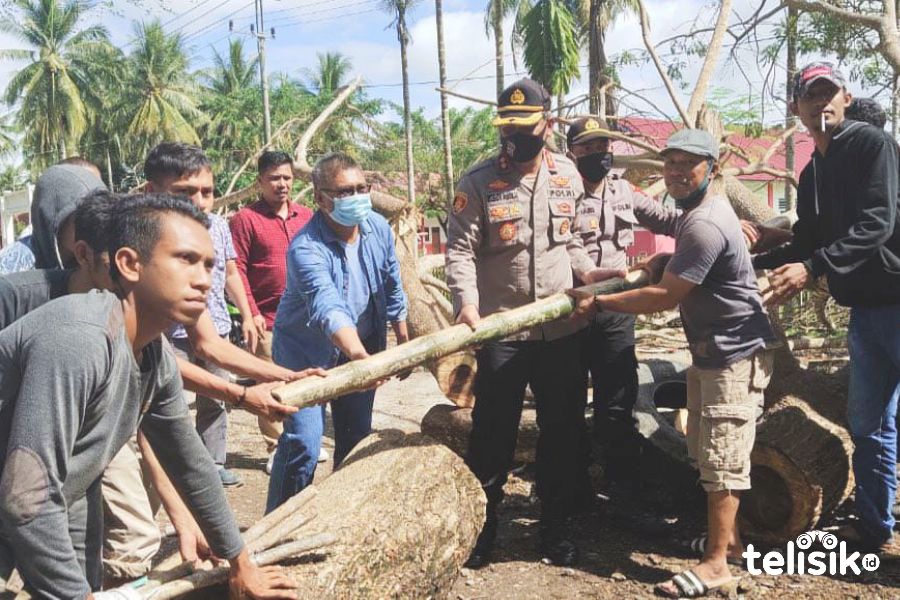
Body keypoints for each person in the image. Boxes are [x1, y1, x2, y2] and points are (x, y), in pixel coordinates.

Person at [0, 189, 320, 585]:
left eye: (208, 265)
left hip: (59, 498)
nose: (203, 281)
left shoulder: (152, 355)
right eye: (185, 260)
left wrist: (240, 563)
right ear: (130, 264)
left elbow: (189, 461)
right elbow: (25, 495)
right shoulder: (80, 338)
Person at [574, 128, 775, 597]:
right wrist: (662, 262)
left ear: (713, 168)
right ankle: (731, 546)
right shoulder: (695, 216)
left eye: (690, 164)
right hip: (712, 351)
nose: (679, 172)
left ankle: (715, 566)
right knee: (708, 449)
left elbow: (664, 297)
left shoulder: (703, 222)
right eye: (672, 163)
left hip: (733, 353)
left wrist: (600, 303)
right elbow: (676, 256)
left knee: (724, 456)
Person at [447, 79, 622, 568]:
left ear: (547, 124)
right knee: (492, 433)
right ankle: (482, 529)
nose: (515, 138)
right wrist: (467, 305)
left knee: (563, 431)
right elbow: (460, 250)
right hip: (503, 331)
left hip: (561, 331)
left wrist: (588, 273)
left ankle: (556, 526)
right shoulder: (479, 181)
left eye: (526, 128)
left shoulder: (566, 174)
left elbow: (570, 242)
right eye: (509, 128)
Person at [753, 62, 900, 554]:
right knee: (870, 425)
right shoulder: (812, 172)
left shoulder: (869, 144)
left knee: (875, 424)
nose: (821, 103)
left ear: (846, 95)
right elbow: (810, 239)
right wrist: (750, 257)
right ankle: (876, 526)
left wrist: (812, 268)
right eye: (810, 96)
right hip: (866, 312)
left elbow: (878, 222)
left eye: (829, 92)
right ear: (796, 107)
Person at [266, 152, 408, 511]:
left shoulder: (377, 228)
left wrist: (402, 338)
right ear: (320, 198)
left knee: (356, 439)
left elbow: (392, 284)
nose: (357, 197)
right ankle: (279, 524)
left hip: (361, 344)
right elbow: (327, 306)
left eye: (362, 188)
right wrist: (362, 359)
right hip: (304, 352)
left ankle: (340, 519)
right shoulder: (305, 248)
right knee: (304, 443)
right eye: (345, 192)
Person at [565, 117, 680, 508]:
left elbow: (667, 219)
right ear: (572, 152)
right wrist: (585, 274)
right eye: (588, 148)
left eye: (603, 146)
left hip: (616, 309)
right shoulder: (560, 192)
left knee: (618, 398)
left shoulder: (622, 190)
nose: (598, 154)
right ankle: (573, 488)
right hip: (572, 309)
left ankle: (621, 490)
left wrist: (713, 225)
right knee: (566, 400)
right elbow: (559, 242)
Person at [145, 142, 255, 487]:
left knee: (215, 400)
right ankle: (173, 470)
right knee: (168, 405)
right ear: (153, 191)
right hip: (165, 337)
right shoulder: (142, 238)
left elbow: (232, 274)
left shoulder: (220, 227)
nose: (198, 201)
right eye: (184, 191)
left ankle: (211, 464)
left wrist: (248, 315)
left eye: (206, 191)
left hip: (215, 326)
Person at [230, 150, 315, 469]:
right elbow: (235, 268)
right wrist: (249, 312)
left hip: (307, 319)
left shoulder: (306, 216)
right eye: (274, 178)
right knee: (269, 383)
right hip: (265, 318)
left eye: (287, 178)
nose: (281, 184)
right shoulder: (245, 220)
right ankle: (275, 446)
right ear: (260, 182)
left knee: (302, 380)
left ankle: (304, 439)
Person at [0, 161, 106, 275]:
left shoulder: (95, 259)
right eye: (84, 216)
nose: (96, 225)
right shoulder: (13, 269)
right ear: (55, 219)